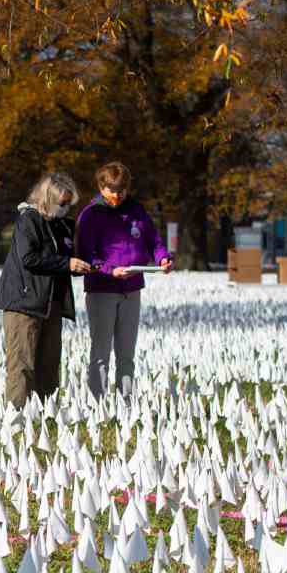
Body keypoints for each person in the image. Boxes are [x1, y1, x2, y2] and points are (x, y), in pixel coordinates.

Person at [0, 172, 91, 408]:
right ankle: (16, 416)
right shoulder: (29, 220)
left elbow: (68, 259)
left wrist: (85, 266)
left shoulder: (62, 226)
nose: (66, 208)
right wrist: (66, 264)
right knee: (22, 363)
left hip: (52, 304)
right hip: (24, 303)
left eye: (69, 203)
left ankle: (47, 413)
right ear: (47, 199)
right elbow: (29, 258)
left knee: (49, 363)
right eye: (62, 203)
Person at [74, 162, 172, 397]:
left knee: (127, 350)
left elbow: (153, 240)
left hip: (132, 289)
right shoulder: (90, 215)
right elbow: (86, 254)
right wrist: (110, 270)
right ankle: (97, 401)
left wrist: (162, 259)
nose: (117, 196)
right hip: (102, 290)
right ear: (101, 187)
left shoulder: (136, 210)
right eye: (112, 191)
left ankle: (125, 399)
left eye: (122, 191)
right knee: (101, 350)